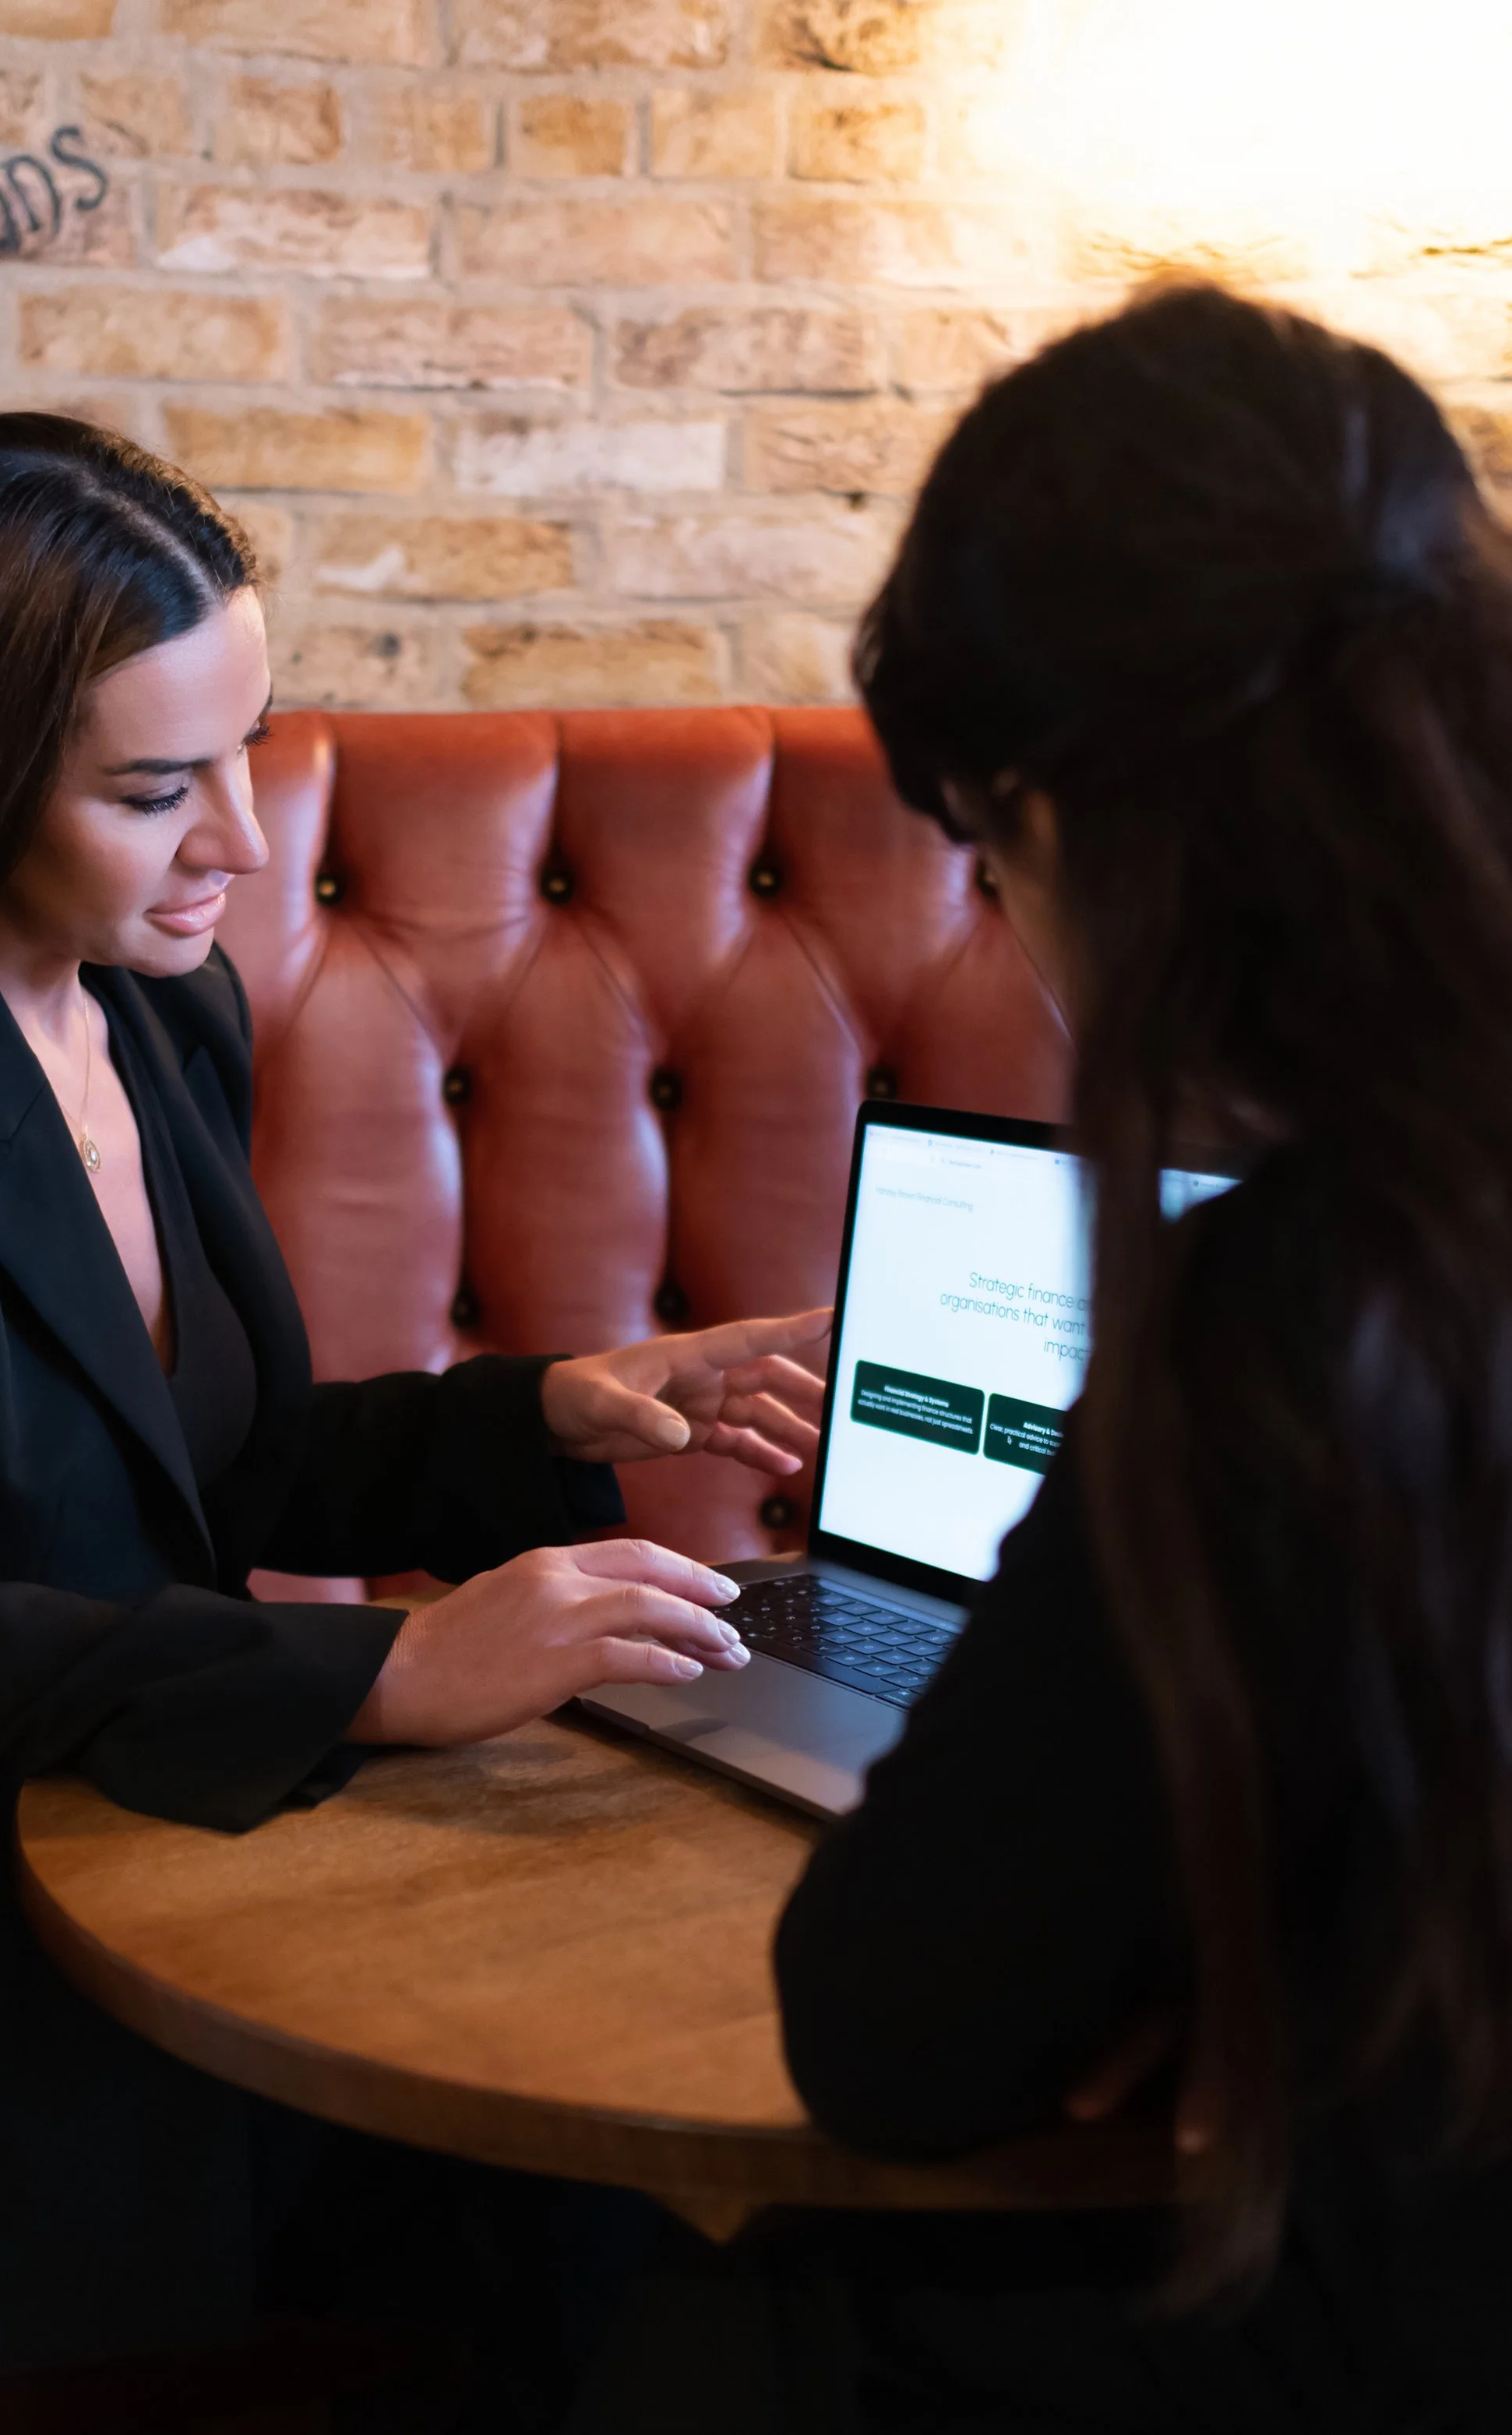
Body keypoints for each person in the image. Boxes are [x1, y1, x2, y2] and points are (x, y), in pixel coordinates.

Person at [0, 414, 830, 2395]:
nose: (242, 840)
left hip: (189, 1842)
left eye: (246, 746)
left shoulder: (160, 1002)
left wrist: (550, 1414)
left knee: (661, 2227)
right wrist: (386, 1683)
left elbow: (206, 1475)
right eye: (158, 787)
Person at [770, 285, 1512, 2431]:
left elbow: (887, 2029)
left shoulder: (1301, 1312)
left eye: (990, 858)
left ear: (1075, 820)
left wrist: (1204, 1959)